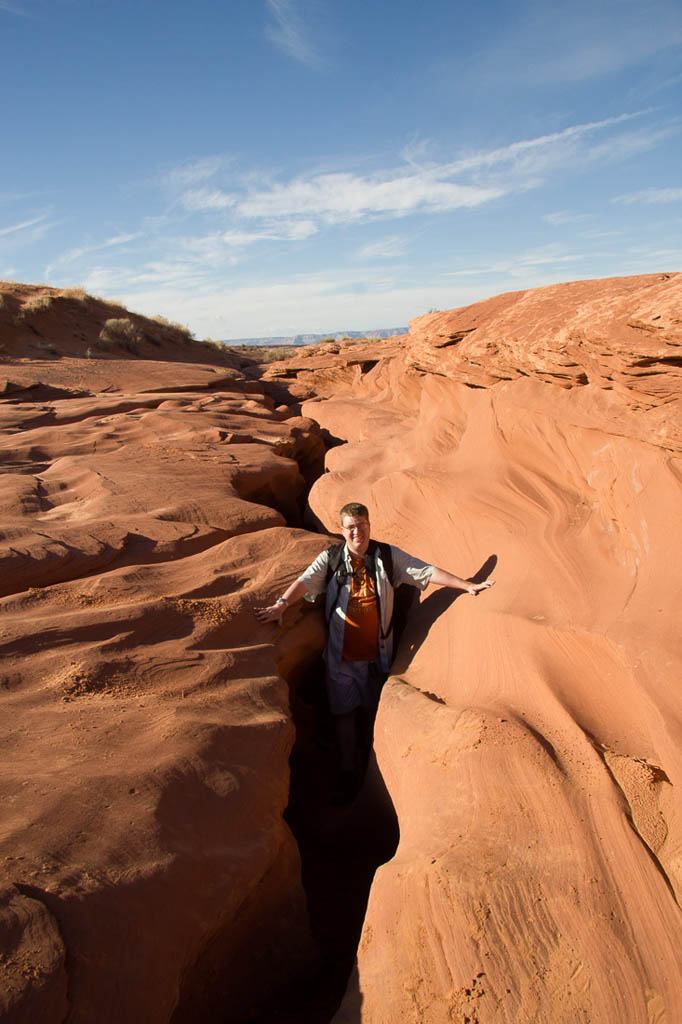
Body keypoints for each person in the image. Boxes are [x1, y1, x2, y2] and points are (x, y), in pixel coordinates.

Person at [255, 501, 495, 802]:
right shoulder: (331, 559)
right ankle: (348, 771)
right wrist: (280, 604)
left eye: (362, 525)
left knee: (369, 714)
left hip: (375, 660)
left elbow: (424, 570)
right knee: (344, 718)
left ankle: (370, 767)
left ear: (369, 525)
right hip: (341, 661)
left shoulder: (386, 556)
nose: (358, 532)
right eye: (351, 527)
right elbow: (305, 581)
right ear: (342, 531)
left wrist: (465, 585)